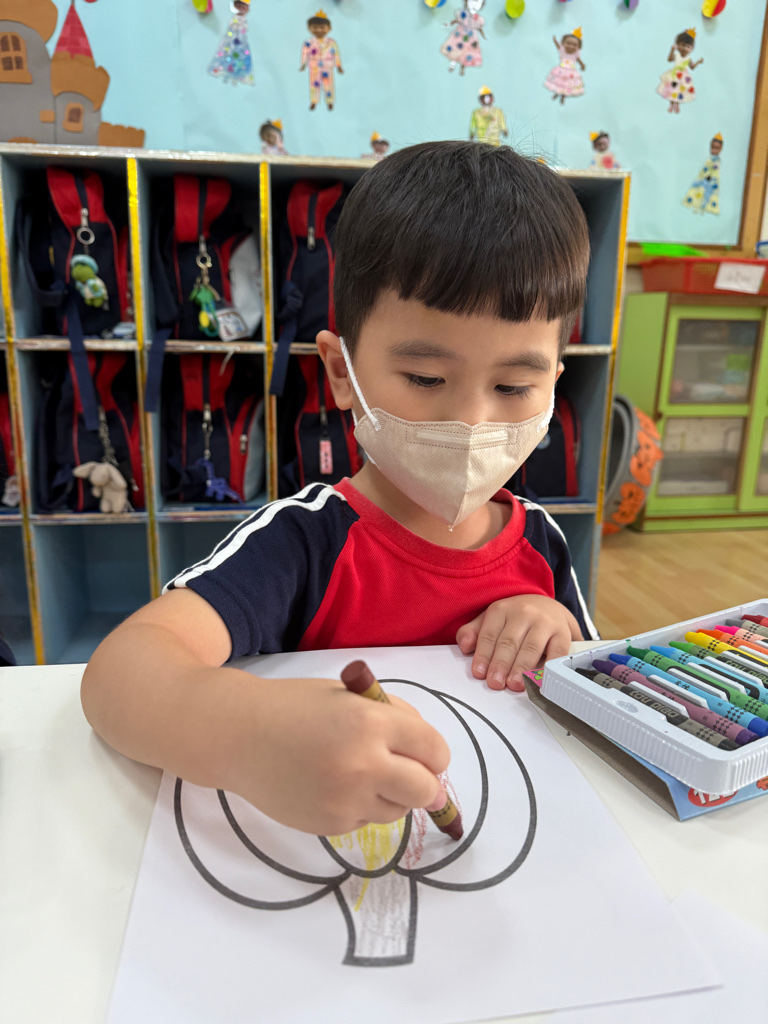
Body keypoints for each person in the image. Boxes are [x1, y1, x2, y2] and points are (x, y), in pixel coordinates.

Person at [81, 142, 597, 840]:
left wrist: (554, 626)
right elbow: (119, 675)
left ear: (554, 383)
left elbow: (590, 687)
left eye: (513, 386)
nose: (471, 421)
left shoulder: (542, 542)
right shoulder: (302, 543)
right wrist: (249, 736)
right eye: (425, 378)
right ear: (341, 371)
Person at [299, 10, 343, 111]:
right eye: (315, 27)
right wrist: (303, 64)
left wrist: (338, 65)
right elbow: (305, 53)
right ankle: (314, 101)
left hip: (327, 66)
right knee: (314, 84)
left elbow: (336, 53)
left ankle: (330, 101)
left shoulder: (331, 42)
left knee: (328, 84)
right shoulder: (308, 42)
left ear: (329, 28)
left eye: (322, 28)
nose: (319, 30)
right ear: (309, 28)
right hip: (314, 66)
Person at [657, 29, 703, 114]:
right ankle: (671, 105)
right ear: (677, 45)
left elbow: (692, 67)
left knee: (679, 91)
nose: (685, 48)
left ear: (692, 48)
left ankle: (677, 105)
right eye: (683, 45)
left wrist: (698, 62)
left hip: (683, 77)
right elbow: (669, 59)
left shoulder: (688, 58)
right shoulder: (677, 55)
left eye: (688, 47)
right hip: (674, 75)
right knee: (672, 90)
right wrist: (672, 50)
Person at [683, 134, 722, 215]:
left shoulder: (716, 161)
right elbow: (705, 169)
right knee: (698, 192)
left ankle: (703, 207)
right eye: (712, 148)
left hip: (711, 181)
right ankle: (697, 206)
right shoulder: (709, 159)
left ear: (720, 149)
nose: (714, 151)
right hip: (704, 178)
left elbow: (714, 170)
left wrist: (710, 176)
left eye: (716, 148)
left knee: (707, 195)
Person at [544, 29, 585, 104]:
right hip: (561, 71)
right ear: (563, 43)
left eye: (574, 45)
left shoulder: (575, 54)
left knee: (567, 85)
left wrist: (582, 65)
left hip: (571, 73)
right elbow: (558, 46)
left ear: (578, 47)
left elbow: (578, 60)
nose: (571, 46)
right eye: (568, 43)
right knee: (559, 83)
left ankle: (563, 96)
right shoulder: (562, 51)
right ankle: (556, 93)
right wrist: (555, 40)